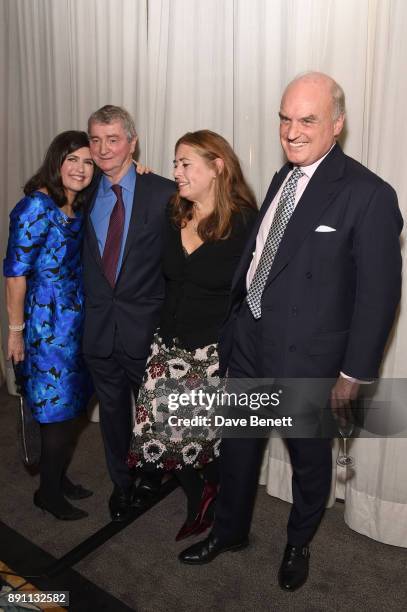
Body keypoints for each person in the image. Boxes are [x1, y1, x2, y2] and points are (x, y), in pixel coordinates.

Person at [179, 73, 403, 591]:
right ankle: (229, 530)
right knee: (237, 445)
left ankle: (298, 540)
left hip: (308, 357)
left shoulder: (370, 195)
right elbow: (266, 253)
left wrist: (353, 373)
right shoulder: (285, 175)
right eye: (285, 118)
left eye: (307, 119)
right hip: (252, 339)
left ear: (337, 124)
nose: (292, 130)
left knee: (307, 457)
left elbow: (379, 295)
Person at [127, 129, 257, 540]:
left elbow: (255, 293)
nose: (176, 172)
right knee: (167, 438)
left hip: (212, 354)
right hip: (167, 346)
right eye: (174, 163)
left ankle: (212, 497)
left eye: (185, 164)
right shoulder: (174, 212)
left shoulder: (245, 223)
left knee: (204, 444)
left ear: (217, 166)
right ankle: (201, 496)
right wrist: (135, 170)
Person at [82, 105, 175, 521]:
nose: (103, 149)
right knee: (114, 416)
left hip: (148, 329)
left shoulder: (163, 192)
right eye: (96, 140)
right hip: (100, 331)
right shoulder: (81, 195)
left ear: (132, 142)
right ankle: (122, 484)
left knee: (153, 412)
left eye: (113, 139)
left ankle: (153, 473)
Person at [4, 131, 95, 520]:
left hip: (77, 320)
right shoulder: (35, 207)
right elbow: (15, 275)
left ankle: (57, 478)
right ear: (56, 161)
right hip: (46, 326)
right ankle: (48, 493)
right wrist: (15, 331)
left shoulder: (77, 205)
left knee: (72, 406)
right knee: (54, 411)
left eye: (88, 162)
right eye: (72, 159)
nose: (80, 168)